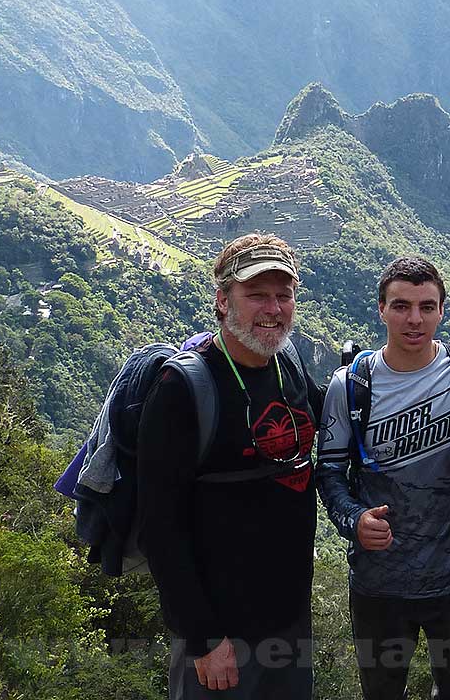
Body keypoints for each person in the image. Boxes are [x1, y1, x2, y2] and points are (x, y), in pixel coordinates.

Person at [136, 233, 322, 700]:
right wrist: (201, 637)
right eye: (256, 294)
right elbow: (160, 524)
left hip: (289, 621)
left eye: (284, 295)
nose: (273, 308)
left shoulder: (290, 364)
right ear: (222, 301)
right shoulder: (182, 388)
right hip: (222, 635)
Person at [315, 256, 450, 700]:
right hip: (381, 581)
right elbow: (328, 471)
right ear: (381, 309)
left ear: (442, 310)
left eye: (427, 306)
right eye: (401, 306)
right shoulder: (350, 386)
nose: (415, 319)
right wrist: (355, 520)